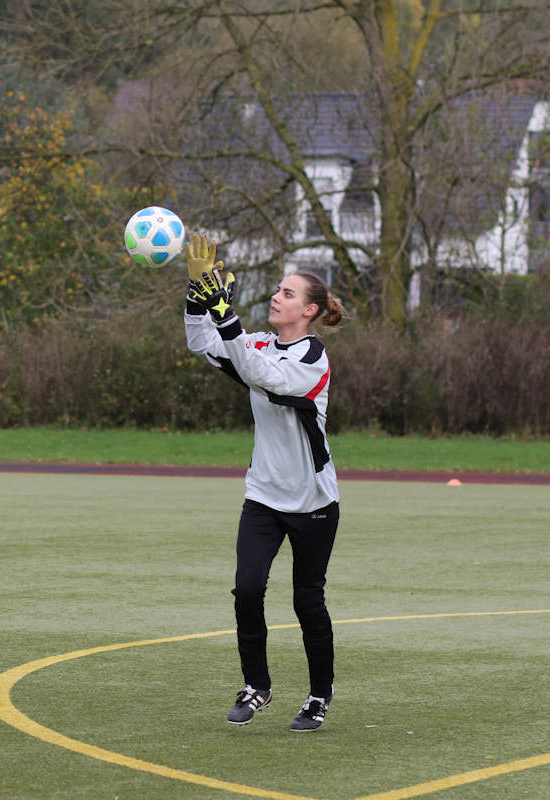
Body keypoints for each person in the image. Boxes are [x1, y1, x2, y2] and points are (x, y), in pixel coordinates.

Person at [181, 234, 344, 732]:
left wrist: (226, 317)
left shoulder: (312, 360)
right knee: (247, 590)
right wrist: (196, 299)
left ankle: (319, 696)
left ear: (310, 311)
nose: (277, 296)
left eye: (289, 294)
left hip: (313, 501)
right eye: (278, 289)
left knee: (306, 601)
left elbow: (261, 374)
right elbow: (203, 344)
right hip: (263, 497)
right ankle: (257, 688)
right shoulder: (256, 342)